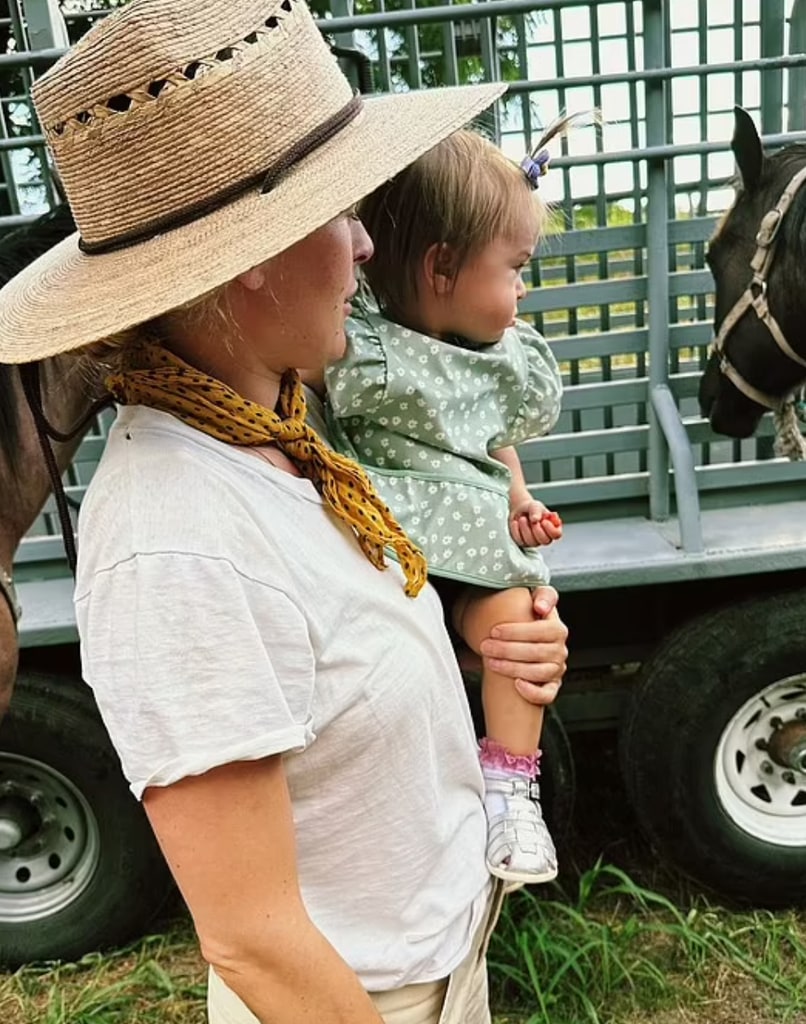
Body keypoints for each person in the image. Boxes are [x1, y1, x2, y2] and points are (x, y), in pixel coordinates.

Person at [0, 2, 567, 1022]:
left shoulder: (289, 440)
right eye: (342, 210)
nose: (363, 246)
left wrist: (478, 654)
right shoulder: (176, 535)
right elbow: (254, 941)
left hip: (431, 976)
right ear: (248, 252)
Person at [325, 127, 565, 886]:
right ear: (439, 268)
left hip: (467, 551)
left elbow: (489, 442)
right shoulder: (359, 343)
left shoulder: (497, 360)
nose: (522, 292)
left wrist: (520, 499)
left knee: (521, 619)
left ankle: (512, 788)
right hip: (383, 553)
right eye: (515, 269)